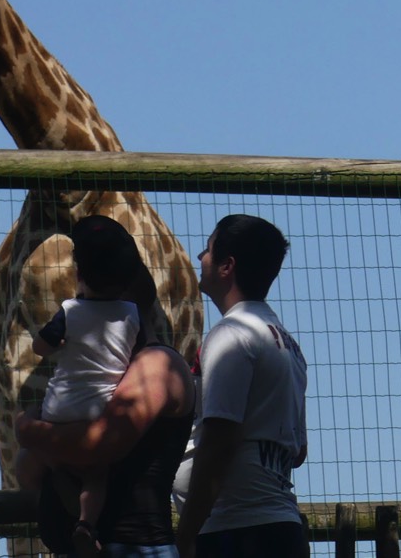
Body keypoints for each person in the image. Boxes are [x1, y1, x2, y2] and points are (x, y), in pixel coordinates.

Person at [15, 241, 196, 558]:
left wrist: (31, 431)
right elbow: (28, 469)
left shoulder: (157, 367)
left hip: (134, 548)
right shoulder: (96, 379)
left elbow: (96, 445)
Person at [174, 214, 309, 558]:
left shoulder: (231, 336)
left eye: (207, 250)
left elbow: (220, 438)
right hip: (280, 526)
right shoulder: (288, 345)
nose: (199, 258)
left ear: (226, 267)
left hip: (236, 533)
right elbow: (298, 451)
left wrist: (187, 532)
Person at [14, 215, 145, 556]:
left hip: (59, 407)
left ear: (79, 275)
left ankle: (58, 473)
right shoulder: (132, 313)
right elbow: (137, 350)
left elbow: (40, 346)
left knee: (33, 444)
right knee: (96, 474)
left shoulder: (69, 311)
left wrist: (53, 345)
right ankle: (86, 521)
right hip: (100, 410)